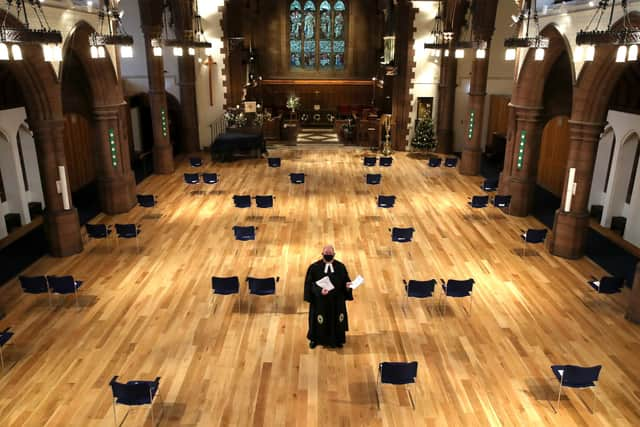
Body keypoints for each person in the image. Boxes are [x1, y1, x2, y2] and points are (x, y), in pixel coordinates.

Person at [304, 245, 353, 349]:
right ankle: (315, 339)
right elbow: (310, 285)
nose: (328, 255)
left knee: (337, 320)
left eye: (330, 254)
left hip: (336, 301)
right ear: (322, 254)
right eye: (326, 254)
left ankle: (338, 339)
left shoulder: (340, 267)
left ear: (334, 255)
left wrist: (348, 286)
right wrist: (320, 291)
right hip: (320, 301)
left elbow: (346, 281)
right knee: (318, 321)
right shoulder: (314, 268)